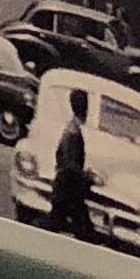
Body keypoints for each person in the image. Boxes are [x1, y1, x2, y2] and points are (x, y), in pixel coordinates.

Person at [48, 98, 97, 237]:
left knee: (61, 222)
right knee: (82, 228)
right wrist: (88, 177)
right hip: (68, 189)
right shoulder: (73, 135)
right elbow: (71, 165)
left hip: (65, 187)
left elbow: (61, 157)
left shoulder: (69, 130)